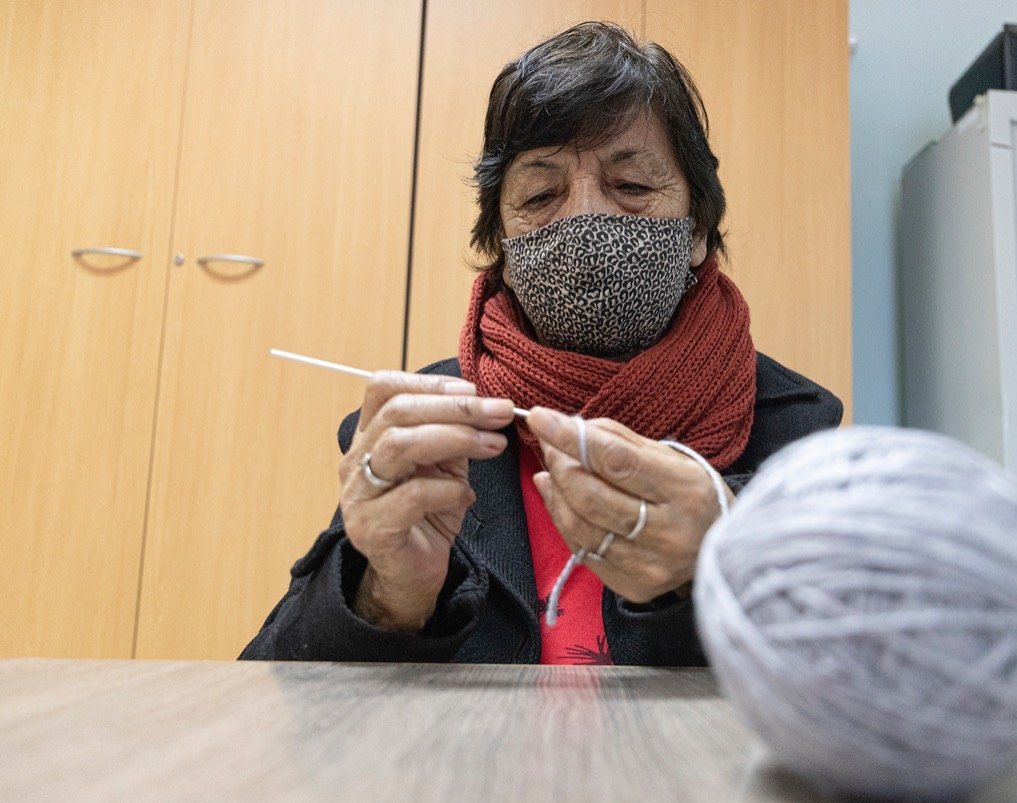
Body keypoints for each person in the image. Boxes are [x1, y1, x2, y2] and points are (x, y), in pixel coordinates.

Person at [241, 22, 841, 666]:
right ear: (502, 246)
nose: (585, 219)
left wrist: (730, 557)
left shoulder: (793, 432)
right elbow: (273, 689)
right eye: (541, 195)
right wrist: (388, 596)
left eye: (633, 187)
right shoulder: (424, 433)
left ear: (697, 232)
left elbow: (864, 684)